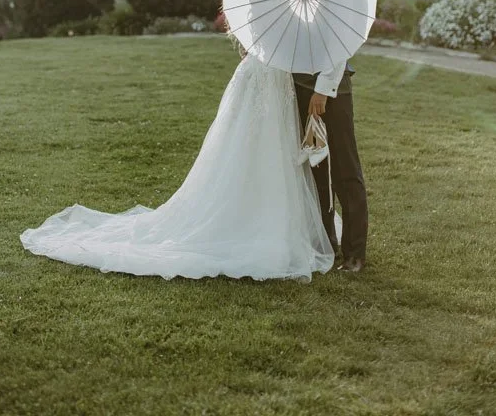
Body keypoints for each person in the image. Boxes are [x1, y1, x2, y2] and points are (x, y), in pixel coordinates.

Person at [21, 52, 335, 281]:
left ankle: (269, 217)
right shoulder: (272, 2)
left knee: (267, 150)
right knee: (252, 148)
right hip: (265, 77)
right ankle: (256, 224)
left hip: (271, 78)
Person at [293, 61, 368, 273]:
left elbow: (338, 49)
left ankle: (355, 253)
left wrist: (323, 90)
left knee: (345, 170)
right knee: (317, 167)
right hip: (300, 87)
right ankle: (326, 243)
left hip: (332, 91)